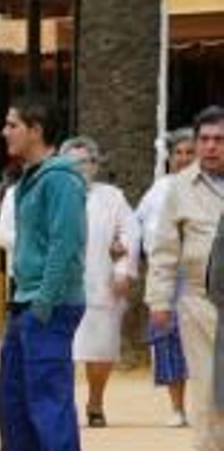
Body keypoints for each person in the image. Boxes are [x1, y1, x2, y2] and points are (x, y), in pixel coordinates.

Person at [0, 98, 88, 451]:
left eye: (12, 124)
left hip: (49, 305)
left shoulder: (61, 180)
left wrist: (44, 302)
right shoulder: (30, 179)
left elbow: (65, 246)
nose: (4, 131)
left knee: (49, 400)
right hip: (24, 302)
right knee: (13, 401)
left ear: (36, 128)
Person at [145, 106, 224, 451]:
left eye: (219, 140)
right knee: (208, 383)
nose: (211, 147)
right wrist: (158, 301)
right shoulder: (179, 188)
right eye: (204, 140)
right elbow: (163, 250)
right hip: (199, 299)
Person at [59, 137, 139, 428]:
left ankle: (95, 402)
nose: (81, 168)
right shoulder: (54, 194)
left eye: (87, 162)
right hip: (61, 286)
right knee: (60, 351)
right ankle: (62, 406)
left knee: (101, 349)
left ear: (96, 165)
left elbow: (130, 233)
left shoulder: (112, 197)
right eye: (74, 162)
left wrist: (123, 270)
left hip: (102, 283)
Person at [136, 129, 195, 427]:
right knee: (169, 338)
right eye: (178, 153)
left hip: (203, 273)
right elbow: (138, 226)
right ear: (170, 158)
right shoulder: (158, 190)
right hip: (167, 273)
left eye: (189, 152)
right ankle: (177, 407)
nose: (183, 159)